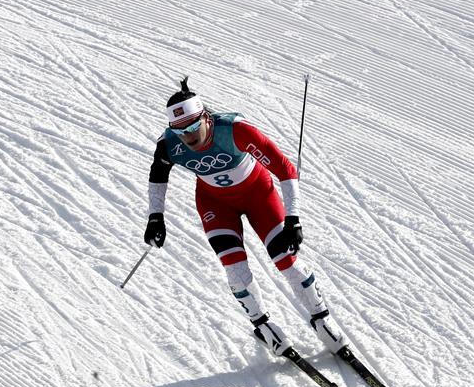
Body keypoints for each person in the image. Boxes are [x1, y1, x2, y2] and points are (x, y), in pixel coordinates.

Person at [143, 76, 346, 357]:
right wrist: (155, 217)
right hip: (215, 204)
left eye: (192, 126)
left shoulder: (235, 130)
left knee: (286, 260)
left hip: (259, 196)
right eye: (180, 130)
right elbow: (158, 176)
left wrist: (293, 218)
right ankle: (262, 325)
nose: (188, 136)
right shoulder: (169, 144)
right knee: (235, 269)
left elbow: (285, 169)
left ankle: (322, 318)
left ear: (206, 117)